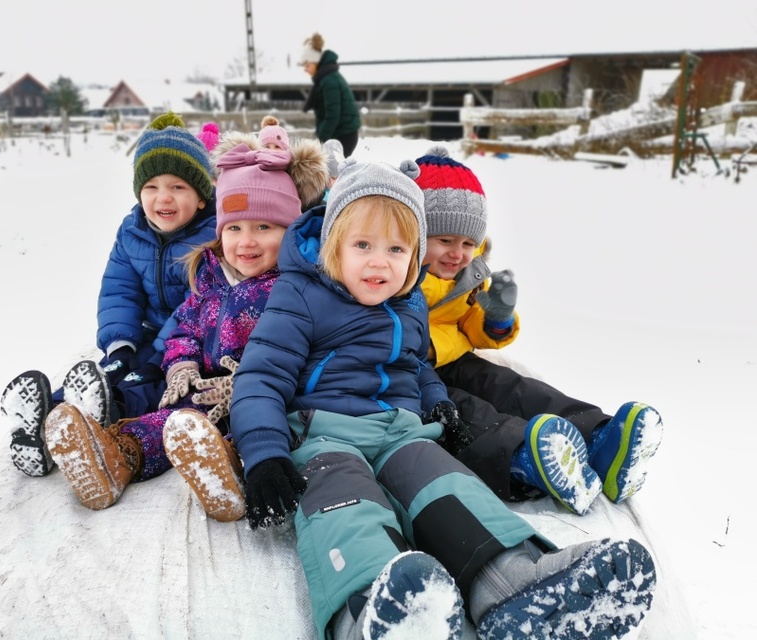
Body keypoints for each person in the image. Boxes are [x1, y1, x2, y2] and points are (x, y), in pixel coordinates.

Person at [227, 157, 657, 639]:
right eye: (363, 245)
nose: (378, 261)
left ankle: (513, 584)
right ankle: (371, 612)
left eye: (396, 248)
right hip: (325, 436)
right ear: (333, 246)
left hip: (400, 432)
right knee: (346, 506)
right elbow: (260, 377)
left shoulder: (409, 301)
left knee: (447, 485)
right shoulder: (300, 296)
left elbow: (415, 365)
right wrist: (264, 454)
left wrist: (437, 401)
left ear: (414, 257)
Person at [40, 136, 329, 515]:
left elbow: (313, 354)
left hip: (259, 398)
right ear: (220, 232)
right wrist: (181, 363)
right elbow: (184, 328)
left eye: (264, 227)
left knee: (236, 429)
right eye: (234, 228)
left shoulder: (294, 288)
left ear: (289, 232)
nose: (246, 242)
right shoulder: (209, 275)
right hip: (201, 389)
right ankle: (115, 458)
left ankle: (226, 471)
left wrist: (245, 383)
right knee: (167, 422)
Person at [413, 145, 664, 516]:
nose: (458, 253)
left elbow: (470, 329)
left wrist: (496, 319)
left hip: (449, 358)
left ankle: (599, 437)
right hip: (407, 370)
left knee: (509, 384)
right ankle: (526, 456)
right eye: (446, 240)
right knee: (465, 409)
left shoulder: (467, 273)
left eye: (468, 243)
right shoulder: (395, 271)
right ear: (416, 232)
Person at [0, 112, 217, 478]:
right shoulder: (132, 230)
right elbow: (119, 289)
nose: (162, 198)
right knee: (110, 370)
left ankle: (110, 410)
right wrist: (120, 344)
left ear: (200, 197)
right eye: (151, 187)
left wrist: (156, 356)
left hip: (188, 344)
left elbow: (197, 305)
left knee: (148, 384)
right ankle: (43, 420)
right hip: (147, 332)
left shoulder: (213, 236)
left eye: (178, 187)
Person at [299, 32, 361, 157]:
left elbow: (332, 115)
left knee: (331, 173)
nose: (305, 69)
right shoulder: (325, 78)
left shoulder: (329, 82)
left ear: (315, 62)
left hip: (343, 136)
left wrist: (319, 141)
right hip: (341, 134)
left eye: (307, 65)